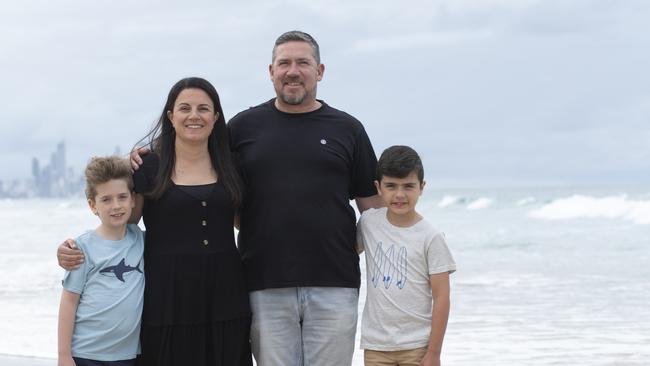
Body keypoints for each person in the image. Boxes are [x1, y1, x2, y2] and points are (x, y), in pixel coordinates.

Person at [58, 77, 253, 366]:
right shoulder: (148, 166)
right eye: (184, 108)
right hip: (166, 298)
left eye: (203, 108)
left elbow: (247, 222)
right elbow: (122, 224)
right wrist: (75, 250)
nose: (194, 115)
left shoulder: (232, 165)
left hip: (226, 296)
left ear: (215, 117)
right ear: (171, 117)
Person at [356, 145, 456, 366]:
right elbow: (340, 252)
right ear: (378, 187)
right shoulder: (368, 223)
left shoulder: (431, 236)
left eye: (408, 186)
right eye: (391, 186)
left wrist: (434, 352)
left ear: (422, 187)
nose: (399, 194)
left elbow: (442, 298)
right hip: (376, 346)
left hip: (417, 346)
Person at [58, 156, 144, 366]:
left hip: (128, 356)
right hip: (86, 354)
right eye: (106, 199)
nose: (116, 205)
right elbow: (69, 302)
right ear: (92, 205)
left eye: (122, 197)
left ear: (133, 199)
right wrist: (64, 356)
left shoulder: (141, 241)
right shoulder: (81, 248)